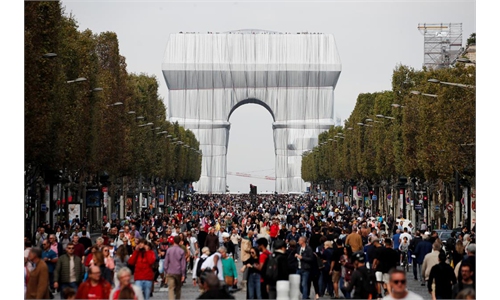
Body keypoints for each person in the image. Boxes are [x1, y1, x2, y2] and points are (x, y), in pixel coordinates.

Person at [163, 235, 187, 300]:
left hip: (170, 271)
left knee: (171, 288)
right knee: (178, 288)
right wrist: (183, 274)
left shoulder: (169, 250)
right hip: (178, 272)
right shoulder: (181, 251)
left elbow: (166, 262)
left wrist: (166, 271)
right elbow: (183, 264)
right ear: (179, 241)